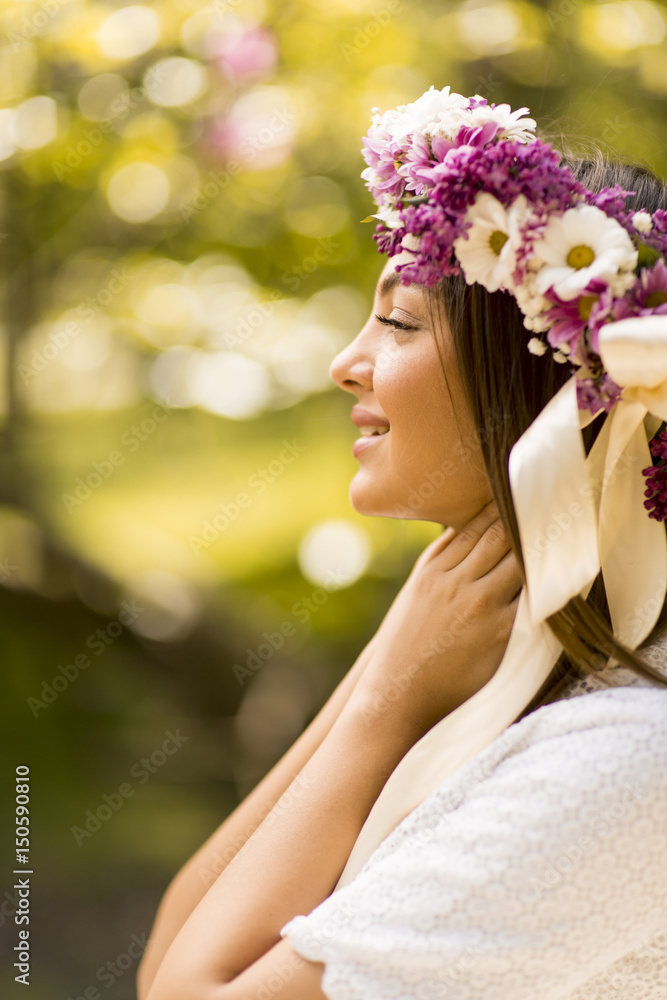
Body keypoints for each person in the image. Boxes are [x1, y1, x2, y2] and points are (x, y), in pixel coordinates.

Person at [137, 88, 667, 1000]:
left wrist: (384, 702)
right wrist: (388, 668)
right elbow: (176, 941)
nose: (346, 362)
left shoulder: (624, 757)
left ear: (542, 381)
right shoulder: (503, 666)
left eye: (399, 322)